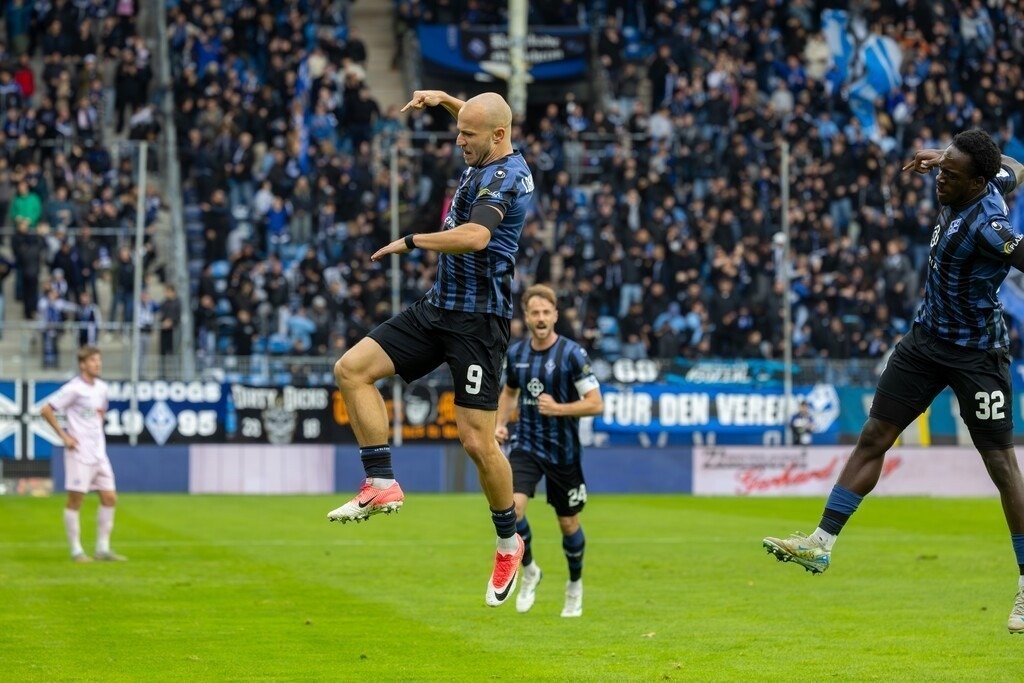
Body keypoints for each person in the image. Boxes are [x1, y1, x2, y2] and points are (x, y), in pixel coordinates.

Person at [763, 129, 1024, 634]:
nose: (938, 179)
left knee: (1001, 465)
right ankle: (821, 543)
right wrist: (945, 157)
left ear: (975, 182)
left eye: (949, 173)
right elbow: (1016, 165)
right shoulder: (986, 177)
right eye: (941, 167)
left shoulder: (991, 225)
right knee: (874, 434)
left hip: (977, 356)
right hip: (925, 343)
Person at [326, 90, 535, 607]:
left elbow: (474, 237)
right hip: (438, 306)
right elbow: (481, 117)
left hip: (477, 323)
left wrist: (413, 241)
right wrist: (445, 99)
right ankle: (381, 481)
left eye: (467, 134)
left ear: (498, 137)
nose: (458, 140)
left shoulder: (505, 177)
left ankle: (509, 541)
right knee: (351, 369)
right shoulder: (490, 139)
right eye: (458, 129)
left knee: (476, 443)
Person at [494, 285, 603, 617]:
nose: (540, 318)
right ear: (526, 317)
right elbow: (509, 392)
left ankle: (574, 586)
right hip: (526, 444)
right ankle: (529, 571)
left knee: (568, 523)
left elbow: (595, 404)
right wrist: (499, 422)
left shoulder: (572, 354)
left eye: (546, 312)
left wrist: (559, 408)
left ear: (555, 315)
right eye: (534, 313)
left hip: (563, 452)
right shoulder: (516, 354)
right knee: (512, 511)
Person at [40, 346, 126, 563]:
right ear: (83, 364)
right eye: (93, 361)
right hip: (79, 453)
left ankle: (102, 549)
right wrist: (65, 436)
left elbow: (100, 413)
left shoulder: (102, 388)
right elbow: (46, 410)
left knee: (109, 497)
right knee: (76, 500)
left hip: (99, 453)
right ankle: (76, 550)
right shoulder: (74, 389)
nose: (98, 364)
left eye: (99, 360)